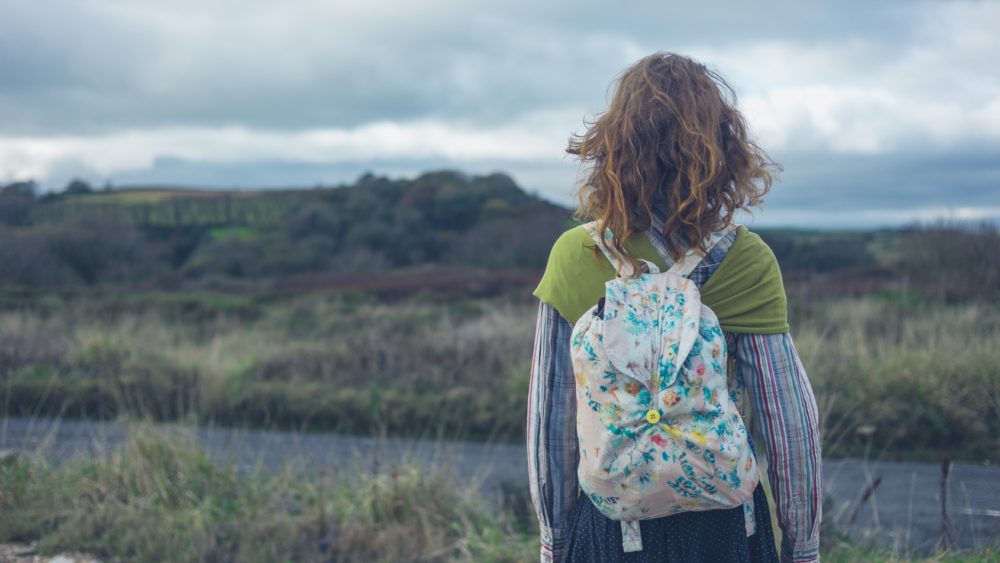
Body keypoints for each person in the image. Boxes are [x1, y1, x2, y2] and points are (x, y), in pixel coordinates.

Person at [526, 53, 822, 563]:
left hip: (611, 528)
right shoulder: (745, 259)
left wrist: (555, 540)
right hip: (725, 528)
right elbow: (789, 423)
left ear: (613, 146)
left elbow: (550, 421)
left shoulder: (576, 256)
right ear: (722, 146)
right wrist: (803, 547)